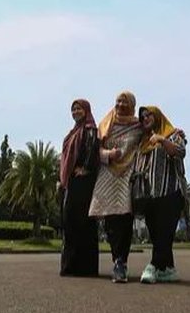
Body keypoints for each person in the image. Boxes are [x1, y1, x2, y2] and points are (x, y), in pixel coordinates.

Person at [88, 91, 142, 283]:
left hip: (127, 174)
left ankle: (122, 262)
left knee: (125, 218)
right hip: (108, 174)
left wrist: (175, 134)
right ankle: (116, 259)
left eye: (124, 102)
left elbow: (156, 130)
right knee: (110, 219)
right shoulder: (106, 123)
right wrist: (108, 154)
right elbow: (96, 149)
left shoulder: (138, 125)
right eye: (118, 101)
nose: (120, 105)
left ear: (132, 105)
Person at [133, 106, 187, 284]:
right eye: (142, 117)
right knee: (156, 235)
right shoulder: (143, 141)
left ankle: (153, 266)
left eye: (148, 115)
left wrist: (162, 140)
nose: (145, 118)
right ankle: (168, 269)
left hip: (170, 192)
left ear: (157, 116)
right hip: (149, 196)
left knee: (164, 233)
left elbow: (179, 152)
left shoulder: (172, 134)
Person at [58, 99, 100, 277]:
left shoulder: (90, 129)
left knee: (83, 222)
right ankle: (70, 266)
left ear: (86, 110)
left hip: (84, 183)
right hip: (72, 182)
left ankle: (86, 268)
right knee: (70, 222)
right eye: (73, 109)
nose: (76, 112)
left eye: (79, 109)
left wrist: (86, 168)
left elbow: (92, 151)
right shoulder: (72, 133)